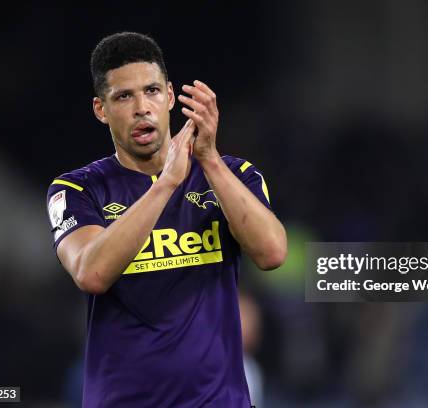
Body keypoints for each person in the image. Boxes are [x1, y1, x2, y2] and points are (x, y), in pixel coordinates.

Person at [45, 32, 287, 407]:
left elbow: (272, 253)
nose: (142, 107)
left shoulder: (235, 175)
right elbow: (90, 273)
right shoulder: (78, 189)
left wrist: (208, 160)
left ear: (171, 97)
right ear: (101, 109)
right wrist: (166, 184)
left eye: (152, 91)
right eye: (124, 96)